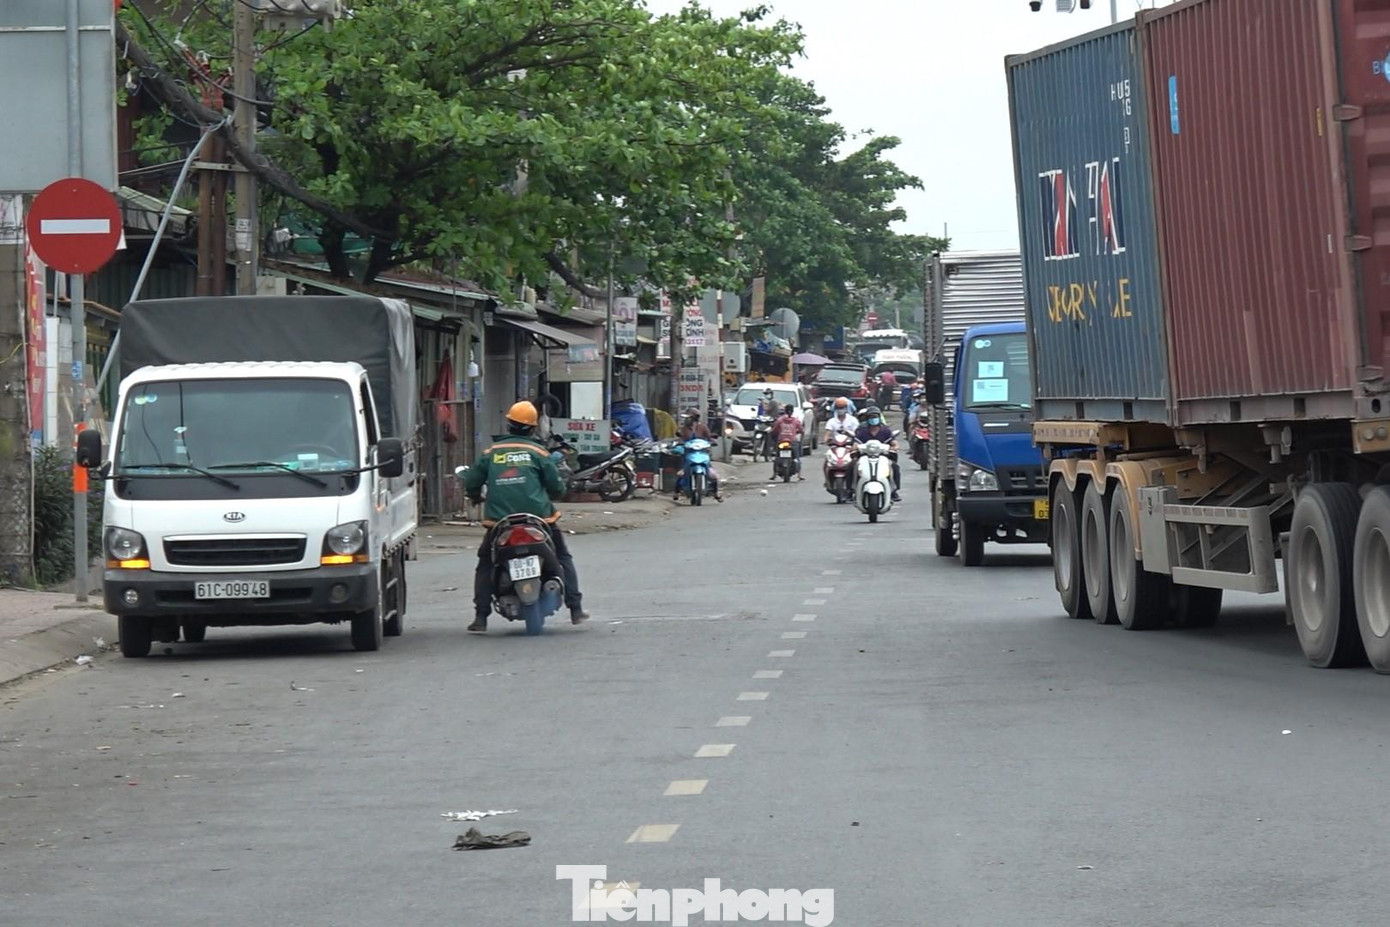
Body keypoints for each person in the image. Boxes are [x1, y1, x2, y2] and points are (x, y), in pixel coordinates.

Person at [463, 400, 588, 632]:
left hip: (501, 524)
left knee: (486, 564)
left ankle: (481, 617)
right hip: (539, 520)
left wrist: (474, 495)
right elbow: (556, 486)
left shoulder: (491, 453)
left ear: (509, 425)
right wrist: (555, 492)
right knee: (562, 556)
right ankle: (576, 608)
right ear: (532, 428)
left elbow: (472, 482)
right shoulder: (539, 453)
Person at [854, 405, 902, 502]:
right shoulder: (862, 431)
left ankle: (894, 491)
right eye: (871, 417)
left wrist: (894, 448)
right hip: (865, 457)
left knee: (894, 467)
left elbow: (894, 443)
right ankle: (851, 491)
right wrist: (854, 448)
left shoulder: (885, 431)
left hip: (882, 457)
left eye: (875, 417)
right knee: (852, 467)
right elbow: (855, 443)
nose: (873, 419)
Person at [674, 409, 723, 502]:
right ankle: (677, 492)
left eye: (689, 418)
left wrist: (712, 440)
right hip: (688, 454)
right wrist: (679, 443)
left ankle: (716, 493)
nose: (687, 420)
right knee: (681, 474)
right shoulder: (684, 429)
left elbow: (709, 437)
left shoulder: (702, 427)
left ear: (694, 418)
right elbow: (681, 438)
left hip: (702, 453)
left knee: (713, 475)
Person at [772, 403, 806, 480]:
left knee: (777, 456)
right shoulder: (796, 420)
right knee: (797, 457)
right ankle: (799, 475)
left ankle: (774, 474)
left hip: (781, 441)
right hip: (792, 441)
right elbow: (801, 430)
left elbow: (774, 430)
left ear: (785, 411)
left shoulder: (780, 420)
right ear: (792, 411)